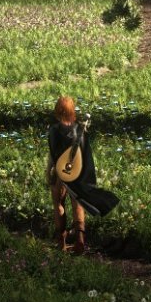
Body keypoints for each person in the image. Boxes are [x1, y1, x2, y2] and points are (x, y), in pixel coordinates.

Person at [46, 95, 117, 253]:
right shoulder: (80, 129)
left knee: (58, 204)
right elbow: (85, 155)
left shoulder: (54, 130)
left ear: (57, 111)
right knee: (78, 204)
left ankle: (61, 243)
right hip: (76, 173)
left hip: (60, 172)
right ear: (72, 111)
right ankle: (80, 242)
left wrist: (49, 171)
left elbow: (53, 154)